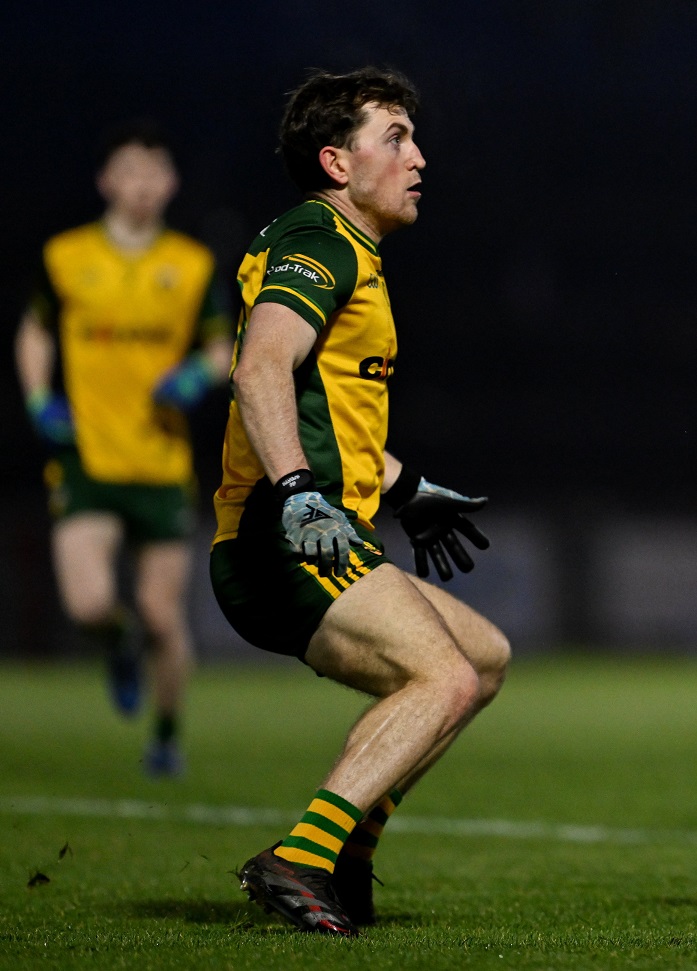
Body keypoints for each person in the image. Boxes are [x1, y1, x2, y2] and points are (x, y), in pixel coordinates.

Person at [210, 67, 510, 935]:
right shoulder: (321, 237)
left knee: (482, 657)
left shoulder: (348, 250)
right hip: (279, 537)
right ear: (337, 162)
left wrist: (404, 485)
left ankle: (347, 852)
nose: (418, 158)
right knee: (442, 677)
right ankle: (301, 856)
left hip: (311, 525)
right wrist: (298, 494)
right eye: (395, 138)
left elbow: (323, 410)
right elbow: (260, 369)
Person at [15, 120, 234, 777]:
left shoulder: (190, 265)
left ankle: (165, 737)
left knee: (162, 615)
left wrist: (196, 374)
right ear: (107, 180)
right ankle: (116, 643)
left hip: (160, 464)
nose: (142, 184)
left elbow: (221, 346)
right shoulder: (66, 256)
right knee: (87, 604)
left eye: (154, 172)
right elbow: (34, 332)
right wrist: (38, 396)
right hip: (87, 456)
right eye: (130, 171)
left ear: (170, 183)